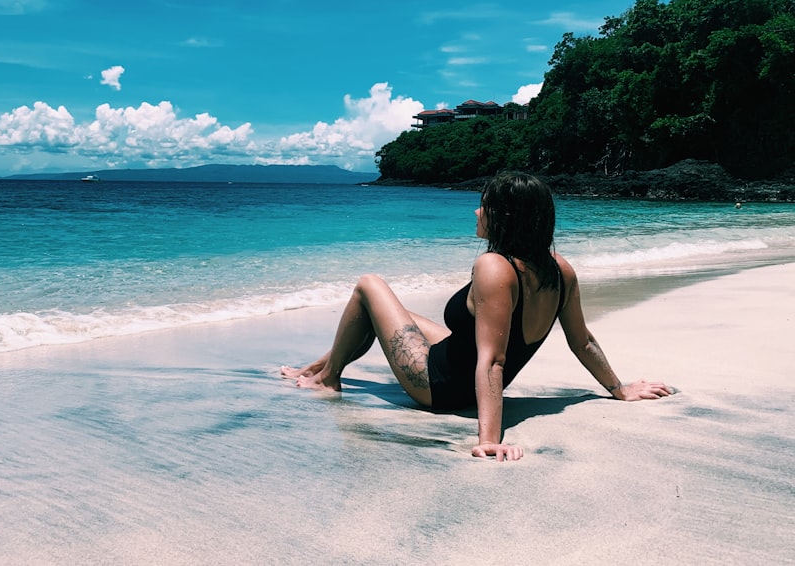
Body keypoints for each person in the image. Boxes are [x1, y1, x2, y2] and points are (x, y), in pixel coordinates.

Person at [281, 171, 672, 462]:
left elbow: (494, 359)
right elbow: (582, 341)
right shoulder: (559, 269)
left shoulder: (493, 267)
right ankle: (321, 364)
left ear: (504, 216)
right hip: (460, 371)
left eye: (483, 204)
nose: (476, 210)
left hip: (438, 387)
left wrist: (488, 439)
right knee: (399, 313)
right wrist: (618, 389)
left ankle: (328, 380)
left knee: (369, 286)